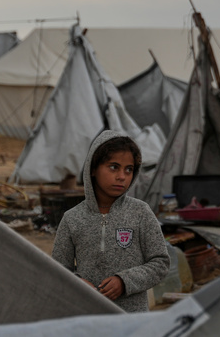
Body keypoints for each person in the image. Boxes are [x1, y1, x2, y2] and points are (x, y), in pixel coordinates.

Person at [52, 130, 169, 312]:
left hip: (132, 319)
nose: (122, 176)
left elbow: (160, 263)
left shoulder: (140, 213)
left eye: (128, 169)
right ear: (93, 168)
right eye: (114, 167)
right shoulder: (72, 219)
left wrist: (125, 281)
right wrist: (77, 283)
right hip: (88, 316)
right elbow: (57, 270)